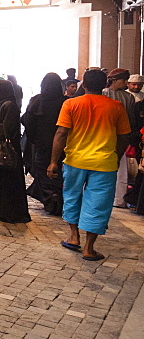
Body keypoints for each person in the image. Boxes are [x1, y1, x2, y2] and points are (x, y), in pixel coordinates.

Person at [48, 69, 132, 261]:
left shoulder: (71, 104)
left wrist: (53, 161)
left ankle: (73, 237)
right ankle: (89, 248)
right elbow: (124, 137)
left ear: (83, 85)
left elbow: (61, 133)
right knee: (98, 204)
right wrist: (116, 157)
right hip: (104, 163)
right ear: (104, 85)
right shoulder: (116, 107)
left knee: (72, 197)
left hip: (75, 161)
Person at [0, 79, 31, 223]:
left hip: (5, 152)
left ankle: (6, 212)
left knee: (5, 183)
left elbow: (8, 129)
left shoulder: (9, 106)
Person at [22, 73, 67, 215]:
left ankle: (50, 196)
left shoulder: (36, 101)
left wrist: (34, 139)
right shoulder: (66, 102)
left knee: (42, 170)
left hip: (42, 143)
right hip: (64, 143)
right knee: (59, 170)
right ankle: (56, 197)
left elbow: (28, 122)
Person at [104, 69, 136, 207]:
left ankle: (118, 199)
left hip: (120, 135)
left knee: (120, 169)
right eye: (124, 80)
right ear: (115, 80)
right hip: (103, 134)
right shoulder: (103, 93)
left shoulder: (129, 97)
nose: (125, 83)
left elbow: (129, 118)